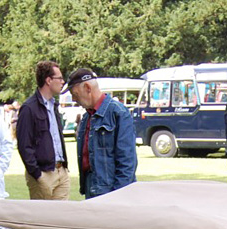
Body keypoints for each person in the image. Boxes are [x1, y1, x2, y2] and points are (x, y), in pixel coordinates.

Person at [64, 69, 137, 198]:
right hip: (91, 188)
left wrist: (118, 195)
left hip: (112, 192)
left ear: (87, 87)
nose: (74, 99)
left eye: (75, 94)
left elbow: (127, 162)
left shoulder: (118, 113)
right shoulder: (87, 117)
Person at [16, 61, 71, 200]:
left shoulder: (54, 106)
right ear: (48, 80)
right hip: (43, 174)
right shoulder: (29, 108)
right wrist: (37, 174)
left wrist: (63, 170)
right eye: (59, 78)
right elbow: (24, 145)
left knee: (61, 219)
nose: (62, 82)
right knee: (42, 218)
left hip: (61, 172)